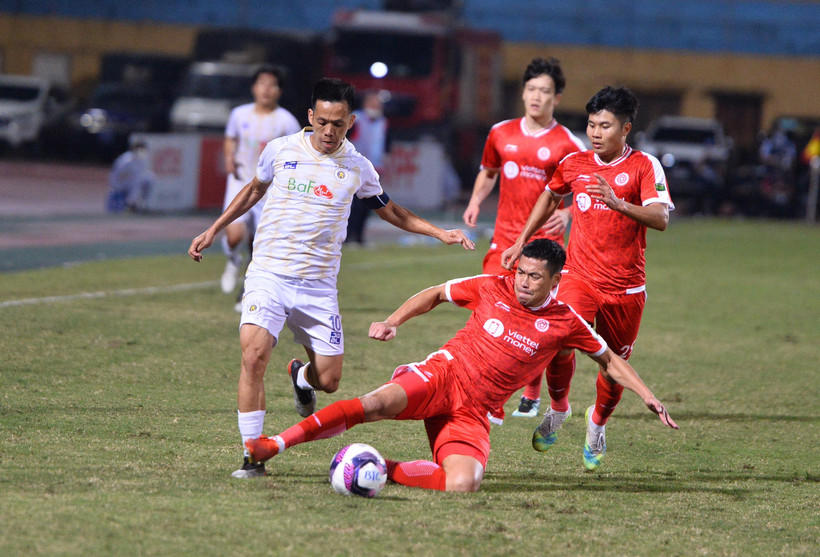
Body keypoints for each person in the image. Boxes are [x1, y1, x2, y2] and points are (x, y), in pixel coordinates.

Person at [188, 77, 475, 479]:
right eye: (322, 121)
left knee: (330, 380)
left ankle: (301, 377)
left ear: (351, 122)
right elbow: (254, 190)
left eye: (338, 124)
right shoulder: (281, 150)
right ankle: (252, 454)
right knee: (252, 356)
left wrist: (438, 232)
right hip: (269, 273)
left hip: (318, 286)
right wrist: (215, 228)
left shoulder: (357, 166)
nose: (328, 131)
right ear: (310, 116)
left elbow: (391, 211)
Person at [245, 239, 679, 491]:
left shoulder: (566, 322)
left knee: (462, 485)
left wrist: (648, 396)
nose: (523, 282)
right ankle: (273, 445)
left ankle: (377, 466)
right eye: (521, 273)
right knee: (374, 404)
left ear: (555, 281)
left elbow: (610, 360)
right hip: (443, 375)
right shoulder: (493, 285)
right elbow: (436, 292)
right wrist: (393, 321)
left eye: (534, 277)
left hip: (475, 412)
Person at [501, 86, 675, 471]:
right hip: (578, 278)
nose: (596, 133)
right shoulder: (575, 163)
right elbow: (550, 195)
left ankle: (596, 424)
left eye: (605, 126)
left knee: (611, 366)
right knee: (558, 342)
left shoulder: (645, 166)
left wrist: (618, 203)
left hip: (626, 289)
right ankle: (559, 407)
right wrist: (521, 240)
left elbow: (661, 218)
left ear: (625, 129)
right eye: (592, 125)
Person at [462, 57, 586, 419]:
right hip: (503, 241)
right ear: (522, 93)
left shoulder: (567, 143)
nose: (536, 96)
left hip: (545, 251)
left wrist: (566, 213)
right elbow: (489, 171)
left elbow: (587, 192)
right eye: (531, 89)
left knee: (541, 327)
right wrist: (474, 201)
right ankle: (494, 399)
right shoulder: (501, 132)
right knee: (489, 318)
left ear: (557, 98)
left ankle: (534, 393)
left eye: (545, 91)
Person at [219, 65, 301, 298]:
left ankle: (246, 289)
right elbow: (230, 138)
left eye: (272, 84)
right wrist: (228, 158)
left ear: (279, 91)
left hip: (269, 189)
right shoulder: (239, 114)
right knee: (234, 236)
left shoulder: (287, 121)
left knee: (259, 244)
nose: (266, 89)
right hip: (240, 181)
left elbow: (296, 152)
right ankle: (233, 261)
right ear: (254, 87)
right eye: (262, 83)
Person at [345, 90, 389, 246]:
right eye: (372, 103)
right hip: (354, 167)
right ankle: (347, 236)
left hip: (374, 168)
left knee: (369, 204)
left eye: (377, 104)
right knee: (353, 205)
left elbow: (384, 145)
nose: (375, 106)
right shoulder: (355, 120)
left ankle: (359, 236)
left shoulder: (383, 122)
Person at [106, 139, 153, 212]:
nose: (142, 151)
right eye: (140, 149)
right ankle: (130, 205)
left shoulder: (142, 159)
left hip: (131, 182)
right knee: (136, 182)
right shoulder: (126, 160)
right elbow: (118, 175)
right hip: (120, 183)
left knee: (149, 177)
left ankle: (140, 204)